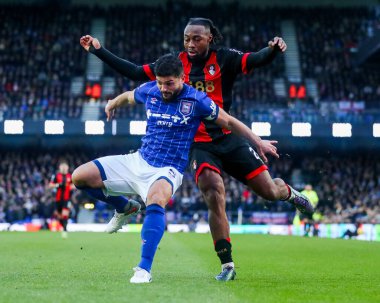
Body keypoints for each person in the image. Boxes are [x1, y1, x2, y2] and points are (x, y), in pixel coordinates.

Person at [79, 17, 314, 281]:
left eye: (197, 38)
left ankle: (290, 194)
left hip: (229, 137)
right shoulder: (174, 64)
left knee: (270, 191)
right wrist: (99, 51)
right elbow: (134, 72)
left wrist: (272, 50)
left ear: (210, 38)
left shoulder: (225, 59)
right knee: (213, 190)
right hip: (199, 144)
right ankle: (227, 264)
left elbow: (255, 60)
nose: (190, 44)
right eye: (187, 38)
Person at [49, 161, 75, 238]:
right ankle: (63, 227)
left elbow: (74, 185)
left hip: (66, 199)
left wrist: (69, 186)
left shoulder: (70, 176)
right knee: (59, 216)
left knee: (65, 214)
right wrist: (57, 185)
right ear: (60, 168)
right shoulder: (56, 176)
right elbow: (50, 185)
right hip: (58, 199)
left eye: (65, 167)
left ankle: (65, 230)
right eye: (62, 167)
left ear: (67, 168)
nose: (63, 168)